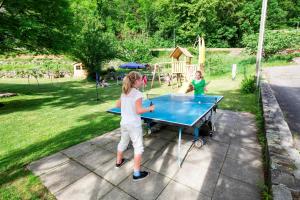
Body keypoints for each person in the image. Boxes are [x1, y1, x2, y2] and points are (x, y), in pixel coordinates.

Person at [115, 71, 155, 181]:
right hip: (133, 125)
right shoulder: (137, 94)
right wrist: (150, 109)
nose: (142, 81)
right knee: (138, 147)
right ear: (136, 81)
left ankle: (118, 162)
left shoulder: (125, 91)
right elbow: (139, 110)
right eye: (141, 80)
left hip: (124, 123)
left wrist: (127, 105)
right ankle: (136, 174)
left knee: (123, 142)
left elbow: (117, 105)